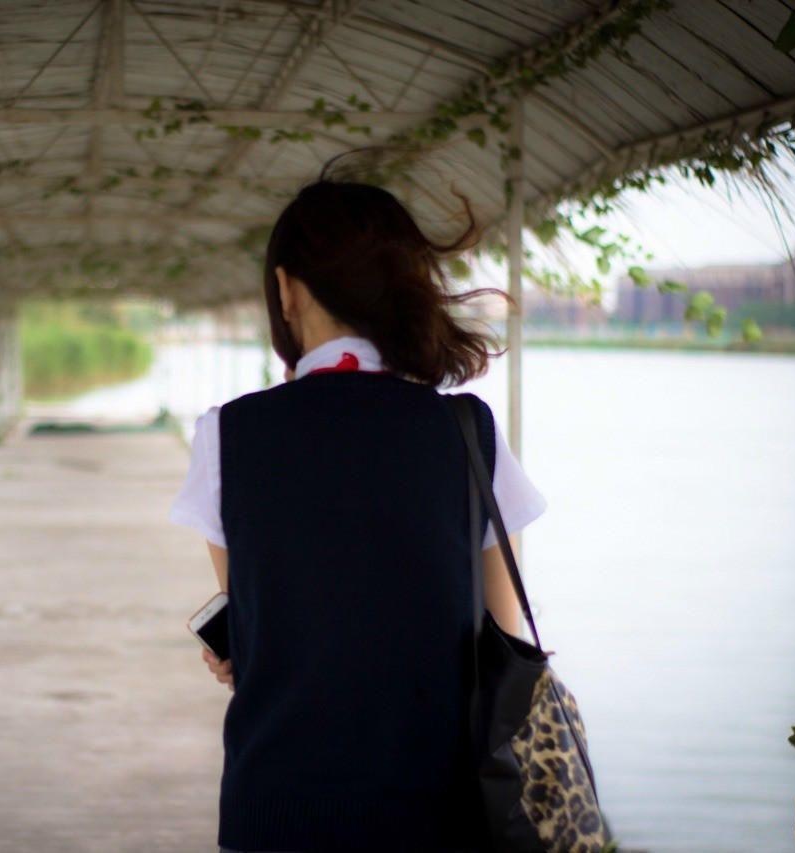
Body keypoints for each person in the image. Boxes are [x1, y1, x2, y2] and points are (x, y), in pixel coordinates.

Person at [168, 175, 547, 852]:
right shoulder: (469, 431)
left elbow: (252, 631)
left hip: (276, 812)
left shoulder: (229, 435)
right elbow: (502, 637)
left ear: (286, 290)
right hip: (436, 818)